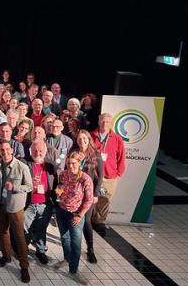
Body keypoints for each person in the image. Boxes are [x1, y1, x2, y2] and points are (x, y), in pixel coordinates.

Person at [0, 140, 33, 283]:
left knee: (19, 236)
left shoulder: (22, 167)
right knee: (3, 232)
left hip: (15, 207)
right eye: (2, 150)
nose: (5, 152)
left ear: (12, 150)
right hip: (0, 205)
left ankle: (24, 267)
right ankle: (6, 256)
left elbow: (29, 186)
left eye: (7, 149)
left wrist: (15, 187)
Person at [54, 151, 94, 283]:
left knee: (76, 243)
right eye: (69, 163)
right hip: (61, 211)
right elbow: (60, 186)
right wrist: (58, 190)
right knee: (64, 237)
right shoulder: (64, 174)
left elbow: (89, 200)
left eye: (74, 163)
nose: (71, 166)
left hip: (75, 214)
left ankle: (73, 270)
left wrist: (80, 215)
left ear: (79, 163)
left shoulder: (85, 179)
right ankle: (67, 259)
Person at [23, 139, 57, 265]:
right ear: (30, 151)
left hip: (45, 203)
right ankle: (23, 249)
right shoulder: (25, 163)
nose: (38, 153)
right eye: (35, 150)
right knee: (25, 227)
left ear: (46, 151)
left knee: (41, 228)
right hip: (29, 202)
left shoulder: (51, 165)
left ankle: (40, 250)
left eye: (41, 150)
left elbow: (56, 183)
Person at [72, 130, 104, 264]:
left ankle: (90, 249)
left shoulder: (96, 155)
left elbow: (100, 176)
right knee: (75, 219)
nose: (82, 141)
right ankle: (73, 246)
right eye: (79, 139)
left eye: (84, 139)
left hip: (89, 193)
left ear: (89, 139)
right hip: (75, 192)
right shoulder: (73, 152)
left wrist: (96, 194)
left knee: (87, 220)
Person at [91, 113, 125, 237]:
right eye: (102, 121)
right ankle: (89, 219)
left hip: (109, 175)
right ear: (99, 121)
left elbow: (121, 157)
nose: (104, 124)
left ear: (110, 123)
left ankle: (99, 221)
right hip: (93, 175)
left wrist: (118, 172)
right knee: (91, 198)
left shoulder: (117, 139)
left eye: (107, 122)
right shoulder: (91, 136)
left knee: (105, 199)